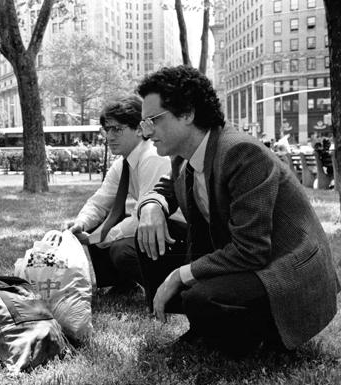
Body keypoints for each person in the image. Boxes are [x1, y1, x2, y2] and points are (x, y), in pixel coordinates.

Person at [135, 65, 339, 356]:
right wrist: (151, 206)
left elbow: (252, 250)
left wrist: (180, 274)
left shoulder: (241, 153)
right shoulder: (183, 156)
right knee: (148, 241)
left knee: (202, 298)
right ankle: (205, 330)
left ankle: (255, 341)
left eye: (153, 121)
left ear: (187, 114)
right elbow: (168, 187)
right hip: (246, 259)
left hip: (282, 269)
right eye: (143, 124)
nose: (146, 133)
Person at [65, 95, 186, 295]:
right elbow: (99, 201)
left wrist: (100, 238)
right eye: (107, 130)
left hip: (174, 232)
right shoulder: (122, 164)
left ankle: (166, 289)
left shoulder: (153, 157)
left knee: (122, 249)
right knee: (97, 222)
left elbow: (147, 216)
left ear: (139, 129)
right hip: (153, 227)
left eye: (117, 129)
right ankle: (122, 284)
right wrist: (81, 223)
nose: (109, 137)